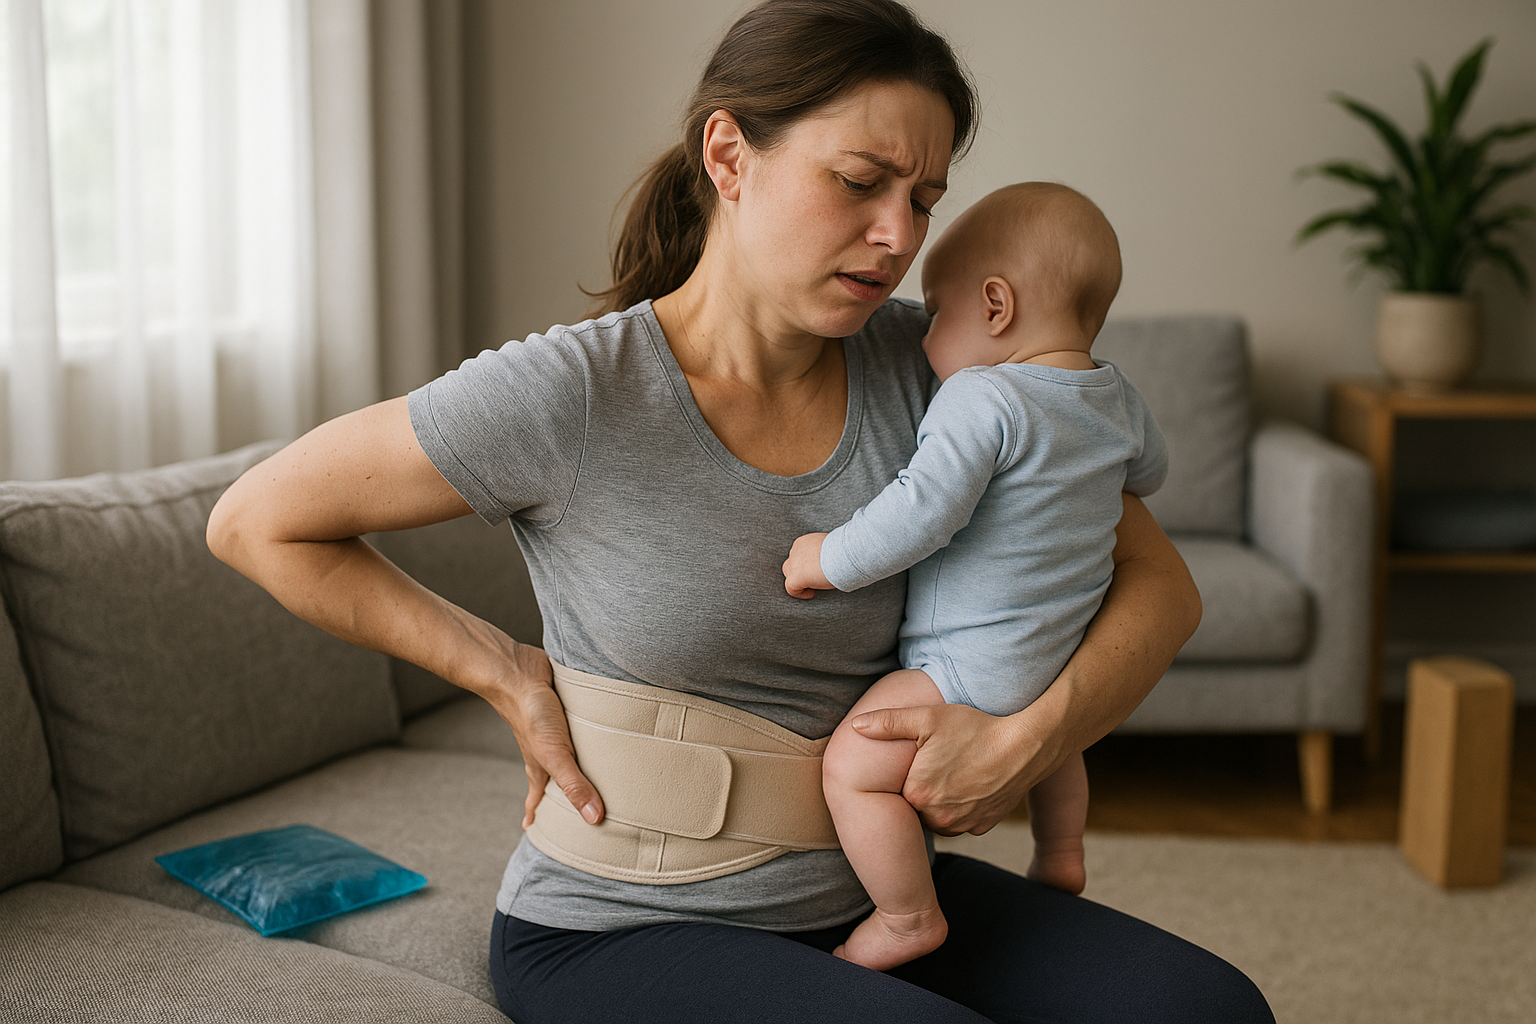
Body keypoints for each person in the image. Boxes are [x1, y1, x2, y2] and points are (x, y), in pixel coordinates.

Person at [206, 2, 1275, 1021]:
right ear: (728, 157)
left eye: (925, 200)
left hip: (866, 897)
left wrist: (1028, 741)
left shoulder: (944, 366)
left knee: (1212, 1009)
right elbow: (257, 521)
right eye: (860, 181)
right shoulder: (575, 393)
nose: (897, 235)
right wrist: (500, 669)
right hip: (620, 926)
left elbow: (1161, 588)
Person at [782, 181, 1165, 972]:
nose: (925, 341)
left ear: (996, 306)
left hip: (967, 664)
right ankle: (1060, 852)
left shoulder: (981, 397)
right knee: (1058, 747)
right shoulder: (1117, 397)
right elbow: (1151, 474)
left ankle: (906, 916)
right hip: (1061, 651)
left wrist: (828, 558)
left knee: (853, 766)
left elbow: (920, 512)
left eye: (935, 314)